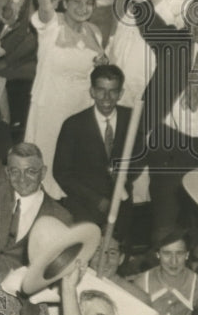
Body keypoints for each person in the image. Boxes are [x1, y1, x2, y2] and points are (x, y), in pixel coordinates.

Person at [25, 0, 111, 200]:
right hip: (53, 104)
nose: (84, 8)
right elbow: (43, 5)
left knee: (75, 160)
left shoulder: (94, 32)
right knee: (48, 155)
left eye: (89, 4)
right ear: (65, 5)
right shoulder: (53, 26)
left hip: (82, 105)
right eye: (77, 3)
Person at [0, 78, 72, 275]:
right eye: (15, 171)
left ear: (43, 172)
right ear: (8, 172)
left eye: (31, 171)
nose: (22, 179)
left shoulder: (60, 217)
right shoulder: (1, 186)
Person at [53, 64, 139, 227]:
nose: (106, 97)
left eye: (113, 91)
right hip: (84, 208)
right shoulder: (73, 125)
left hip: (121, 206)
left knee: (118, 250)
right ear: (92, 91)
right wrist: (97, 200)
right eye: (101, 90)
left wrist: (124, 177)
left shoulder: (132, 119)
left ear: (121, 93)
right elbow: (61, 173)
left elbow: (140, 156)